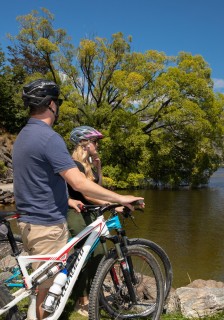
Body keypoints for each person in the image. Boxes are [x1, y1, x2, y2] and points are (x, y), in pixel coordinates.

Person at [12, 79, 144, 320]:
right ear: (51, 105)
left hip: (29, 222)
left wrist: (68, 201)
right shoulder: (49, 138)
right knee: (46, 298)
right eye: (58, 103)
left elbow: (38, 181)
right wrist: (121, 197)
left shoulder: (23, 136)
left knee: (42, 289)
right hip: (48, 226)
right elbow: (79, 183)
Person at [67, 125, 107, 316]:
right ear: (85, 143)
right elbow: (87, 194)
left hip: (90, 213)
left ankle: (91, 295)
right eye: (95, 141)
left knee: (98, 253)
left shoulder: (88, 164)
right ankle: (80, 299)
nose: (97, 145)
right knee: (85, 254)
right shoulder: (74, 165)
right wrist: (115, 202)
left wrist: (98, 167)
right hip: (75, 213)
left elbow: (97, 187)